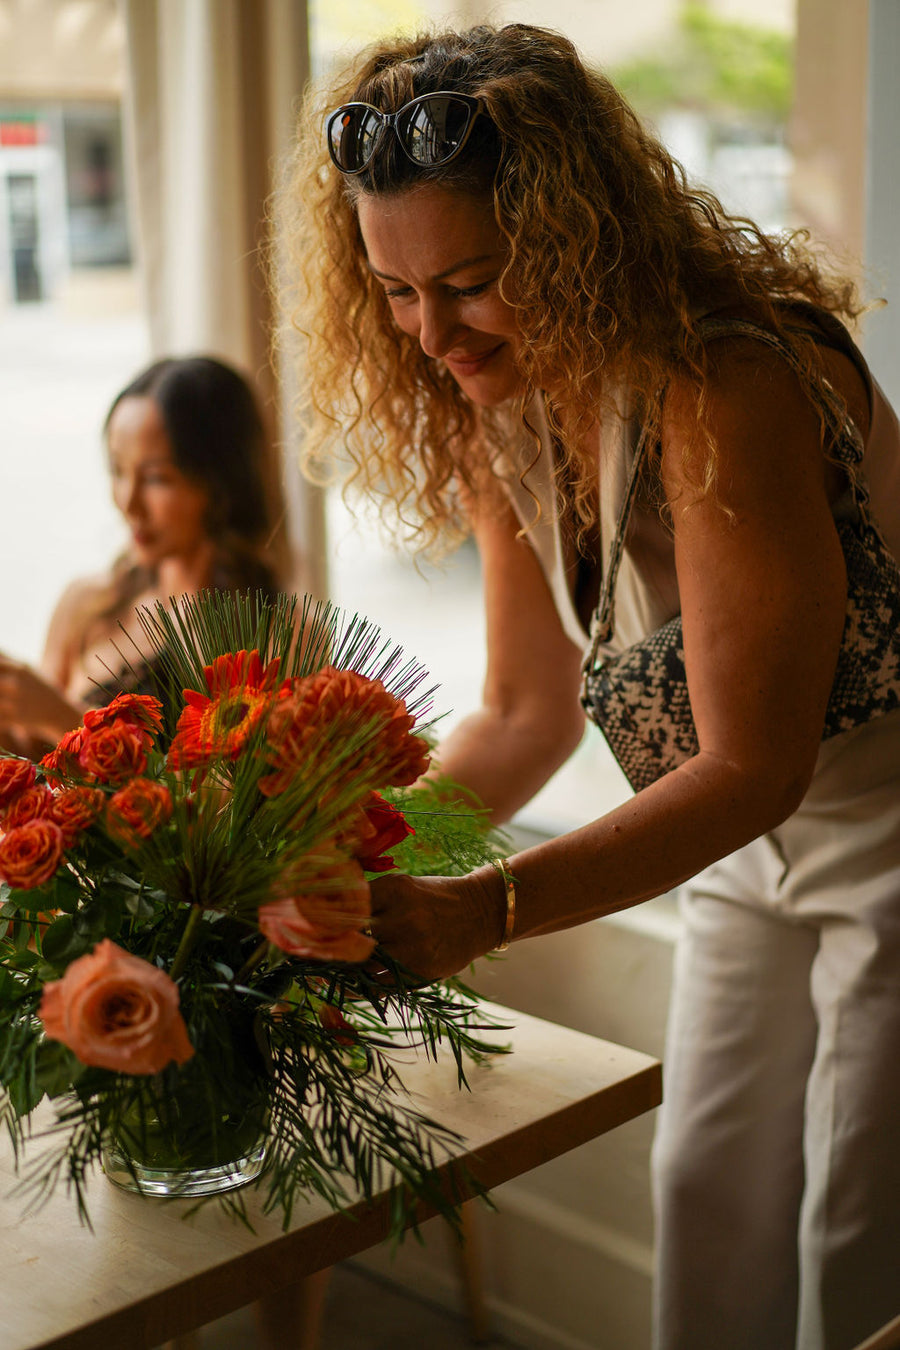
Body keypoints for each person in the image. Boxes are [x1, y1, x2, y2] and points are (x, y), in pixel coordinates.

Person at [282, 21, 900, 1350]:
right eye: (394, 290)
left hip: (885, 836)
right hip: (749, 857)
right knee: (706, 1198)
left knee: (863, 1239)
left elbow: (754, 762)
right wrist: (355, 853)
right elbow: (521, 716)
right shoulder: (504, 400)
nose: (430, 331)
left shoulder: (727, 379)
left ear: (574, 241)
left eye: (470, 280)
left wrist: (484, 908)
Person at [0, 355, 285, 751]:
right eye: (117, 471)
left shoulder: (271, 638)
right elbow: (36, 762)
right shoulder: (85, 605)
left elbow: (223, 806)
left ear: (221, 482)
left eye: (155, 478)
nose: (127, 502)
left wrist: (61, 716)